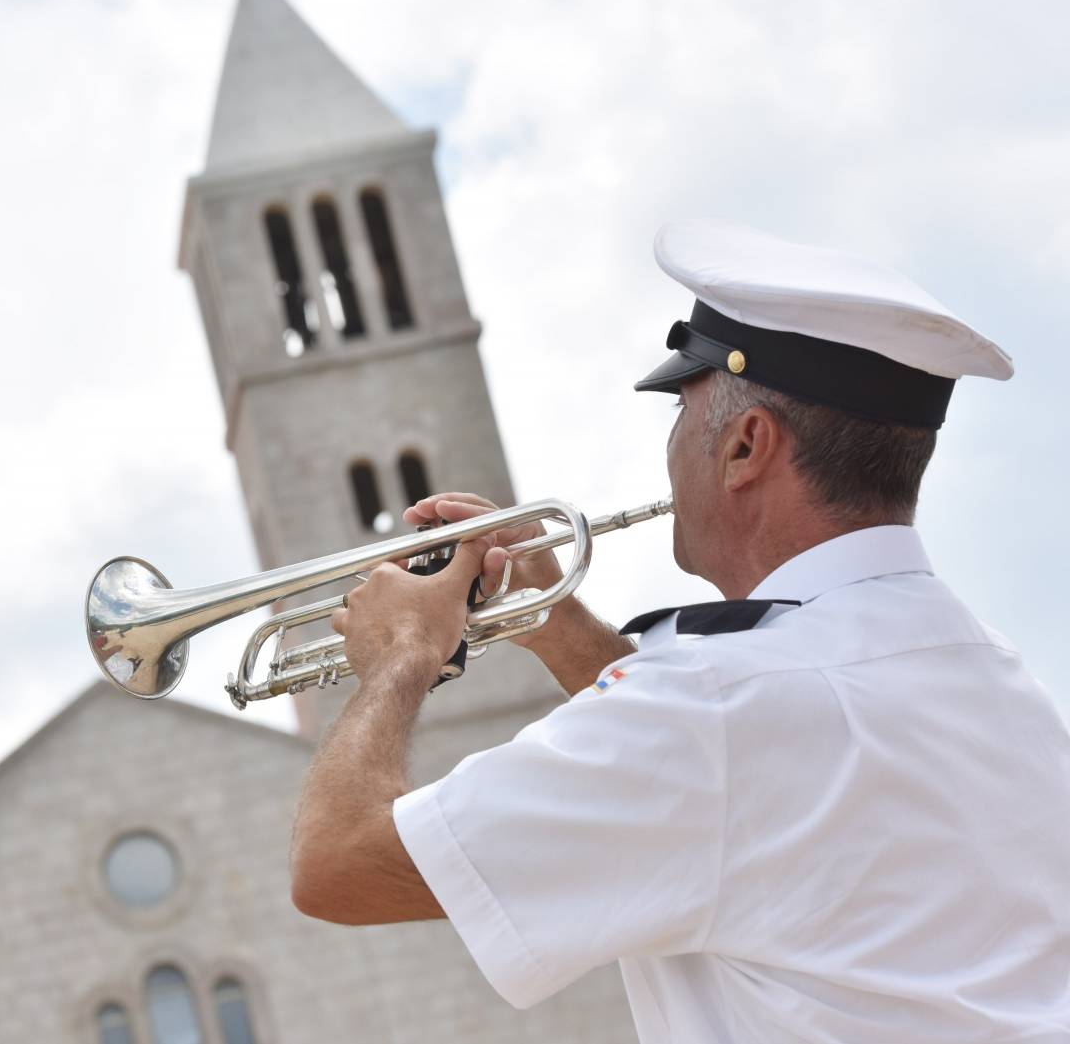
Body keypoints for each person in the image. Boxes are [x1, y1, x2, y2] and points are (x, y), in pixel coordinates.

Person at [292, 219, 1070, 1042]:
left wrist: (399, 657)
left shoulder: (714, 708)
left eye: (681, 410)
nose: (670, 449)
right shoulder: (1001, 677)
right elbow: (733, 774)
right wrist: (554, 620)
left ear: (745, 445)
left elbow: (338, 865)